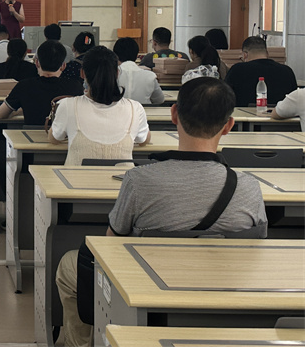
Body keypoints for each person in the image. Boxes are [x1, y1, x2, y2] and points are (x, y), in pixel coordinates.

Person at [55, 78, 267, 346]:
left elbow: (110, 244)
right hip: (225, 293)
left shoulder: (139, 180)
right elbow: (258, 250)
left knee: (69, 265)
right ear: (228, 126)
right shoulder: (249, 187)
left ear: (174, 114)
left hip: (146, 289)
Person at [49, 46, 150, 166]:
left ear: (82, 73)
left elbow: (54, 138)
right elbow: (144, 140)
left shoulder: (68, 105)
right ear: (117, 73)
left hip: (76, 178)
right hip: (122, 178)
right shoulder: (135, 108)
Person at [0, 40, 84, 125]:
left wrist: (18, 111)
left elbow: (0, 114)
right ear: (63, 66)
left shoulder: (24, 86)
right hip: (63, 135)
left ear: (37, 63)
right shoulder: (75, 87)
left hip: (30, 134)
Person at [224, 36, 298, 106]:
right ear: (267, 54)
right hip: (281, 114)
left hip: (242, 115)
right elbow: (294, 99)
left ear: (245, 55)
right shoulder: (287, 71)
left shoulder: (237, 70)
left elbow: (225, 96)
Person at [113, 37, 165, 105]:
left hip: (117, 111)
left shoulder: (110, 75)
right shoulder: (150, 76)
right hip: (143, 111)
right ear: (137, 55)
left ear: (115, 56)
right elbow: (160, 100)